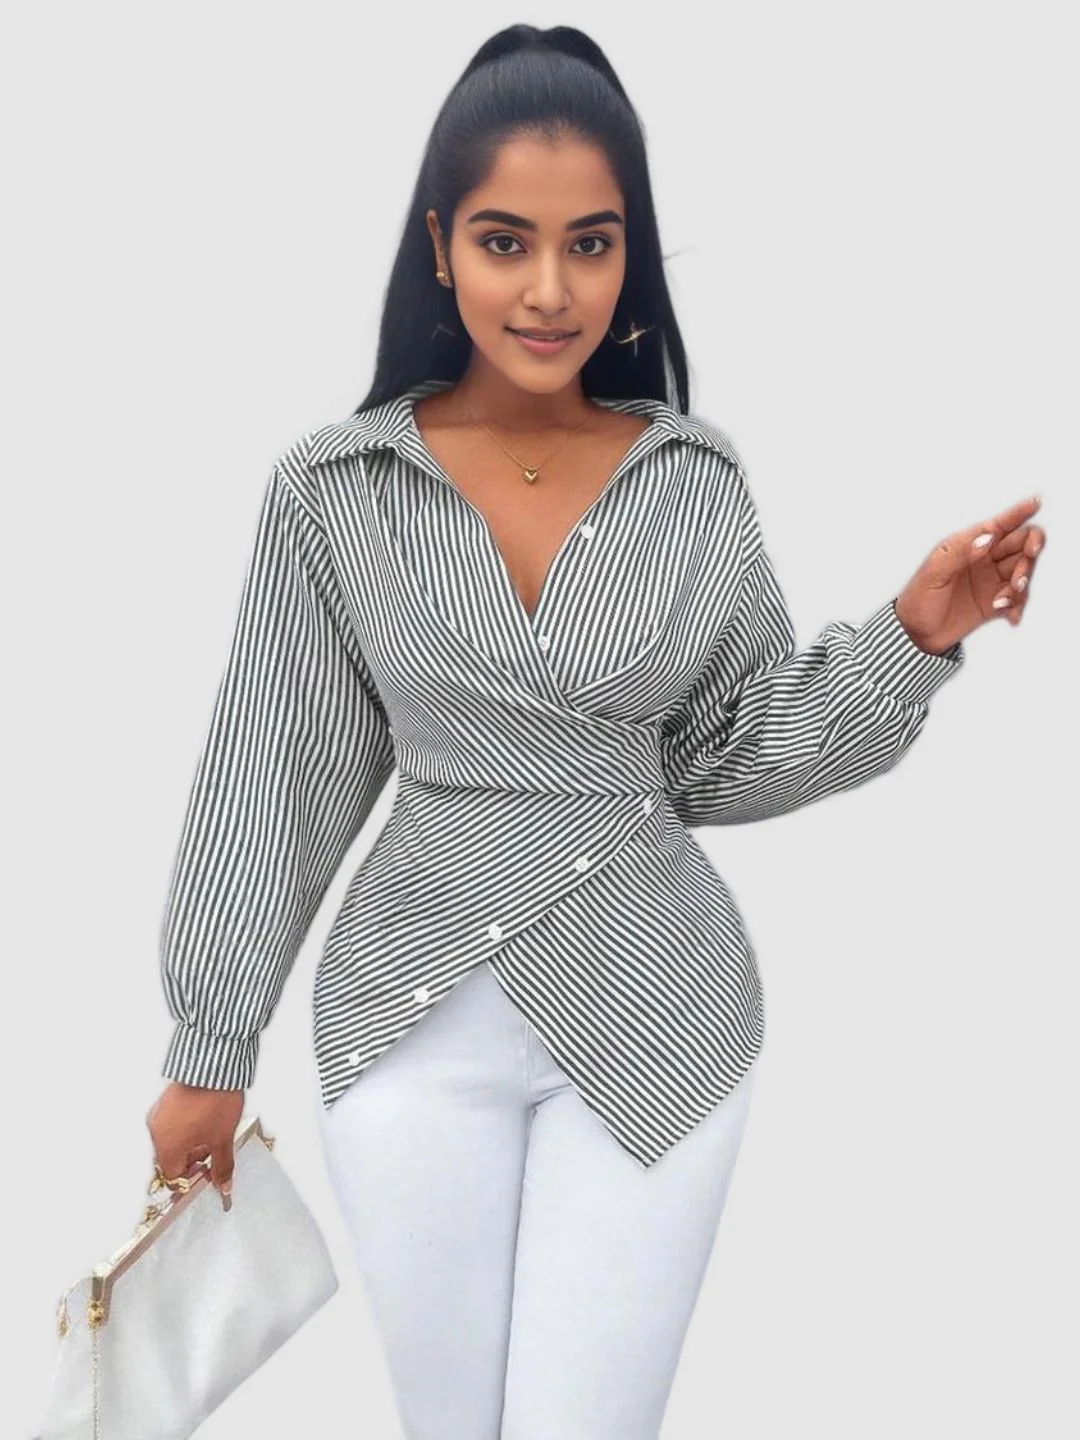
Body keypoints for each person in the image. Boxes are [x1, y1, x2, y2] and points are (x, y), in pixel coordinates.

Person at [145, 23, 1046, 1440]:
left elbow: (725, 759)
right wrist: (210, 1042)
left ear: (632, 256)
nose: (551, 290)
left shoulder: (692, 480)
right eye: (506, 241)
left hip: (663, 1017)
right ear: (440, 245)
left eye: (592, 244)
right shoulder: (334, 491)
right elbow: (275, 778)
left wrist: (914, 636)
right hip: (407, 1025)